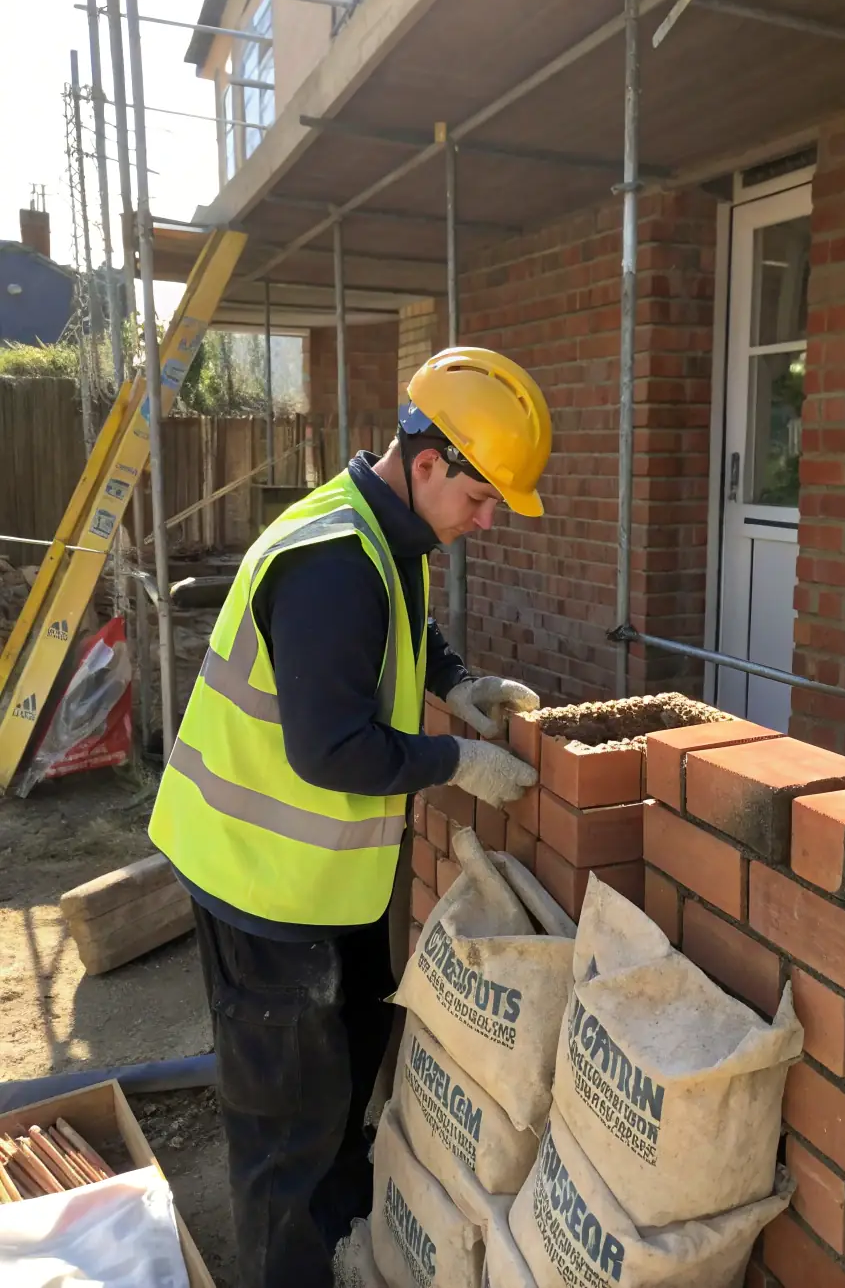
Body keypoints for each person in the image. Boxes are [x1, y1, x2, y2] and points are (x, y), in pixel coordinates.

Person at [148, 345, 551, 1288]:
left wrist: (457, 680)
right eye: (483, 498)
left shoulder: (387, 534)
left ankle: (337, 1243)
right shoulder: (333, 560)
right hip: (262, 889)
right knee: (285, 1130)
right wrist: (458, 760)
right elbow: (328, 750)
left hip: (323, 886)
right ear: (427, 462)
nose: (487, 520)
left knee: (343, 1074)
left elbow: (406, 628)